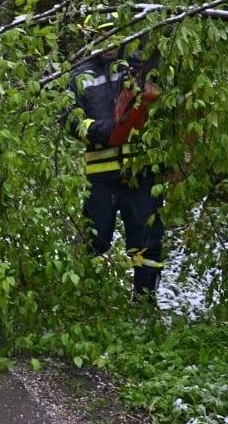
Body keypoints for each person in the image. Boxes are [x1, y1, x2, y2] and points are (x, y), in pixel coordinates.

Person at [66, 27, 165, 304]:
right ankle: (87, 303)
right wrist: (97, 130)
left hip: (140, 173)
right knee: (93, 240)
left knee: (148, 240)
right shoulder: (79, 76)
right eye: (99, 34)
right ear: (87, 37)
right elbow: (70, 118)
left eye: (112, 33)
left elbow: (160, 104)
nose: (107, 41)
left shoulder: (134, 67)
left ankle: (145, 303)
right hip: (100, 175)